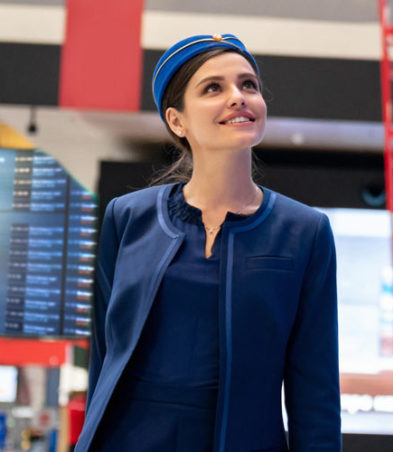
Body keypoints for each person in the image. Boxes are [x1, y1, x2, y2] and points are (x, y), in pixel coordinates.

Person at [75, 34, 341, 451]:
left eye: (248, 85)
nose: (238, 97)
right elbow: (105, 359)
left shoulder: (305, 232)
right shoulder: (127, 218)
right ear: (177, 121)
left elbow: (316, 390)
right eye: (213, 88)